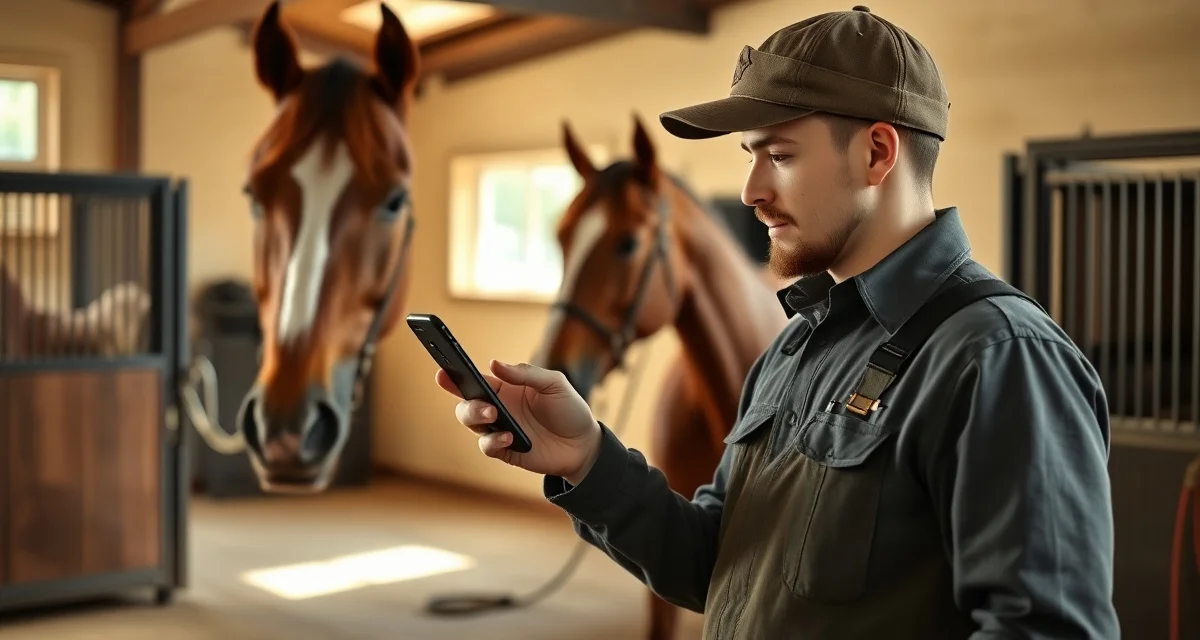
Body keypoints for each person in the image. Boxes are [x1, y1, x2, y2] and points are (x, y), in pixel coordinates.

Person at [435, 6, 1120, 638]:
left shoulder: (998, 358)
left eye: (781, 156)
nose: (751, 192)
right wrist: (587, 460)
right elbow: (720, 563)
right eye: (750, 155)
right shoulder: (794, 345)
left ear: (878, 153)